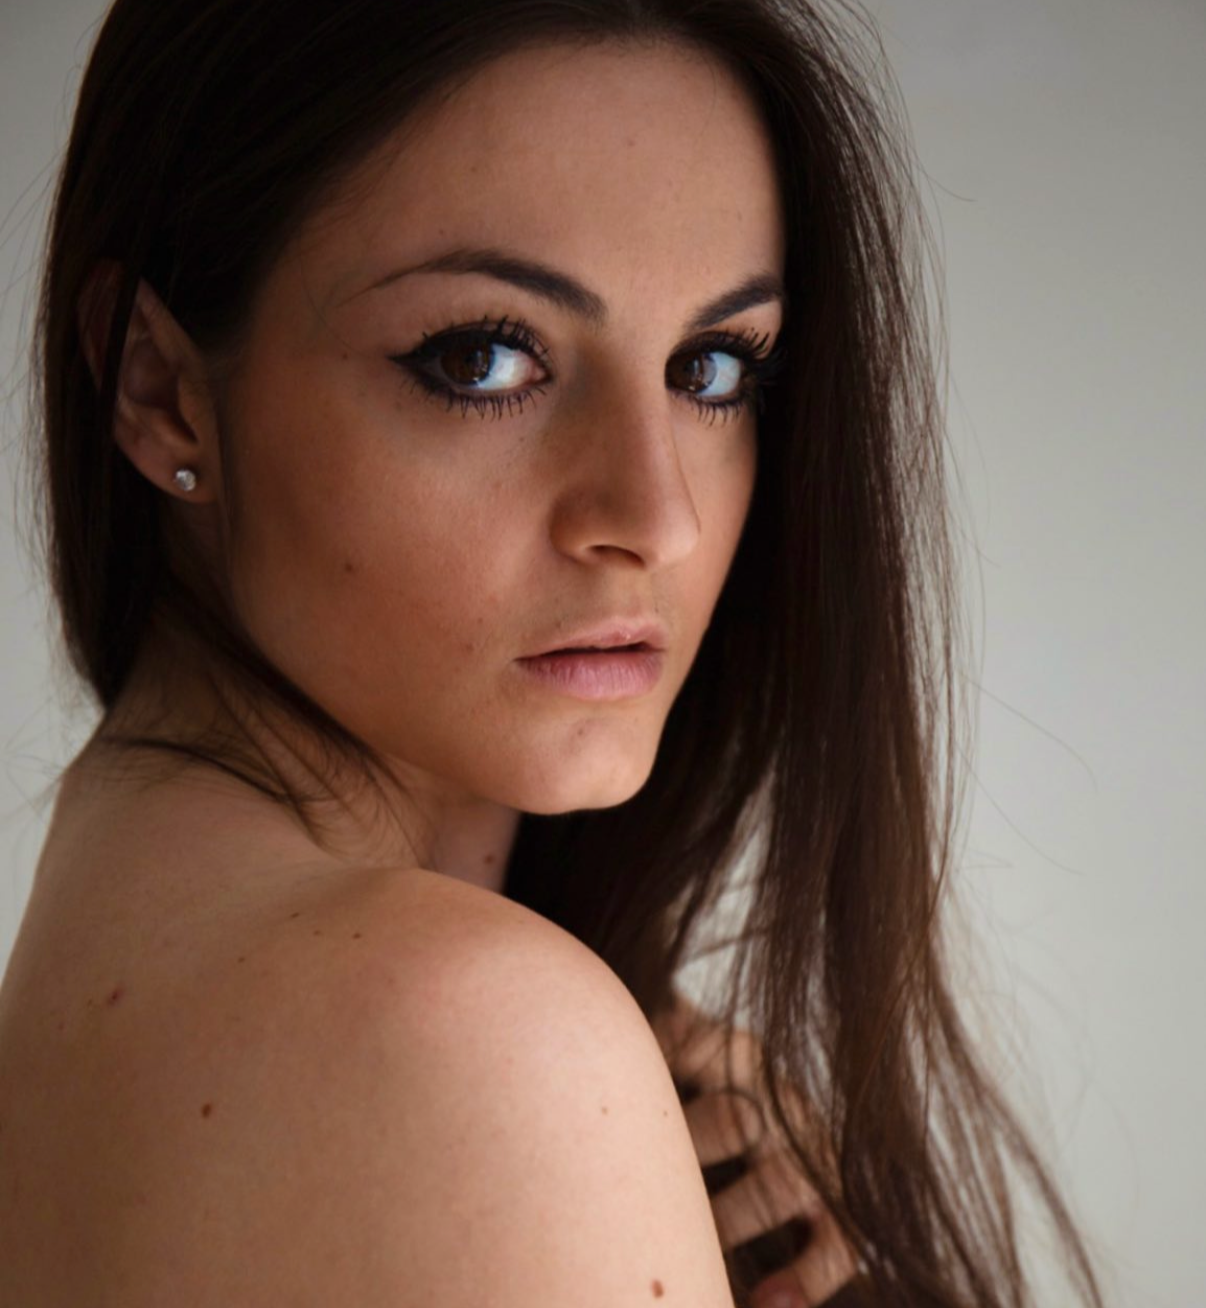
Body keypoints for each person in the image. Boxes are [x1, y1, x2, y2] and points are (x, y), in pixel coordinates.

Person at [0, 1, 1104, 1304]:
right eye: (482, 357)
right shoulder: (477, 1045)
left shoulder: (104, 965)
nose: (655, 518)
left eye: (710, 368)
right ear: (157, 387)